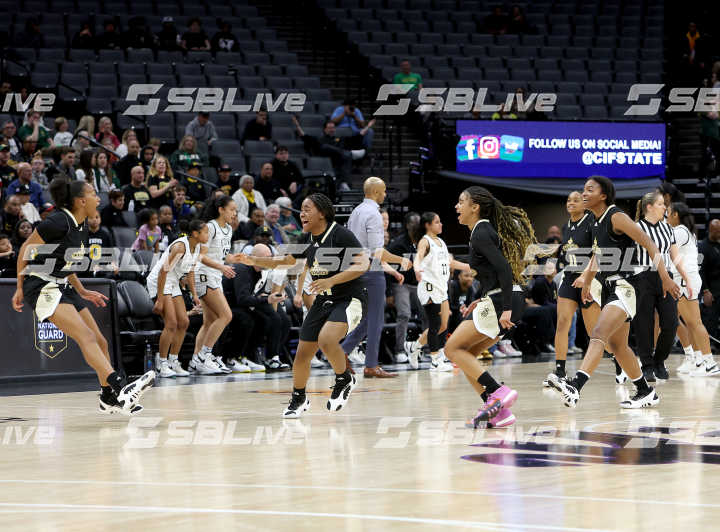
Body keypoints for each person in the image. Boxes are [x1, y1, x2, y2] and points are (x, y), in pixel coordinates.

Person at [11, 177, 154, 414]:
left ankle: (107, 398)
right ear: (80, 200)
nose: (99, 197)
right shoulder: (58, 221)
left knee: (101, 341)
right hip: (41, 285)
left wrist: (82, 290)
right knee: (86, 336)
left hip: (62, 283)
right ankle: (120, 387)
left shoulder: (83, 225)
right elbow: (25, 250)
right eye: (93, 193)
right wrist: (18, 286)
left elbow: (65, 262)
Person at [547, 176, 681, 409]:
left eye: (590, 190)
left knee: (598, 332)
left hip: (628, 285)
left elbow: (649, 243)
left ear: (604, 195)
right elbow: (599, 256)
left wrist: (665, 277)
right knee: (619, 346)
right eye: (583, 189)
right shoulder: (595, 221)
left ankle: (575, 386)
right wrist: (587, 282)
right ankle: (645, 391)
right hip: (610, 285)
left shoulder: (616, 216)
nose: (584, 194)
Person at [236, 193, 369, 417]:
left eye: (307, 209)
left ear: (322, 213)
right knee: (302, 355)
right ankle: (299, 398)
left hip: (350, 297)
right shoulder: (306, 239)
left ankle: (344, 378)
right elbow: (286, 261)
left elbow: (363, 263)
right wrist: (252, 260)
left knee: (327, 340)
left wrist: (331, 280)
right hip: (323, 300)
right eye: (302, 209)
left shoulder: (340, 234)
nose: (302, 214)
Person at [444, 186, 531, 429]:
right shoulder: (481, 232)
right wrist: (480, 298)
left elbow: (504, 269)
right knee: (466, 354)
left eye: (461, 201)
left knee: (452, 349)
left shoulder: (481, 231)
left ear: (475, 207)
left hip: (504, 301)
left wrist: (503, 308)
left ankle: (497, 392)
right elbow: (491, 273)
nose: (457, 207)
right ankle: (497, 411)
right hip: (503, 298)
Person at [341, 177, 413, 378]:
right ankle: (371, 365)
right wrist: (401, 261)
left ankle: (341, 352)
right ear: (374, 192)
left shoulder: (356, 211)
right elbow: (377, 252)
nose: (385, 194)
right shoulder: (373, 214)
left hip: (355, 267)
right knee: (376, 318)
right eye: (382, 191)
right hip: (371, 269)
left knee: (368, 318)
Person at [146, 219, 235, 378]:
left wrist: (194, 295)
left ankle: (174, 361)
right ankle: (162, 363)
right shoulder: (180, 247)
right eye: (205, 232)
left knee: (184, 322)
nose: (208, 235)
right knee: (171, 323)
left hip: (173, 281)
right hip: (160, 281)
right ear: (195, 233)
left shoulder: (198, 247)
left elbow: (191, 272)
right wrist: (160, 299)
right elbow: (162, 273)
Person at [544, 191, 604, 386]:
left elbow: (599, 254)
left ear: (585, 204)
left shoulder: (591, 222)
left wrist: (585, 275)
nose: (571, 203)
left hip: (589, 279)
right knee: (562, 322)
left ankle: (619, 363)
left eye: (576, 200)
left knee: (594, 331)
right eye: (568, 200)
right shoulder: (566, 226)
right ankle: (560, 371)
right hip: (570, 278)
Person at [190, 196, 249, 374]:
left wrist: (235, 258)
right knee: (226, 315)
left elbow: (221, 256)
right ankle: (205, 356)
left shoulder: (229, 229)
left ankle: (195, 360)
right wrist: (222, 266)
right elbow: (201, 255)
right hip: (204, 274)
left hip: (214, 274)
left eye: (236, 211)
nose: (234, 213)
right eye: (231, 209)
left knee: (209, 322)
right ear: (221, 209)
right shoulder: (210, 227)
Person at [632, 190, 687, 382]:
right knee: (644, 324)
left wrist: (686, 277)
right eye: (661, 204)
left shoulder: (667, 228)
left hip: (667, 278)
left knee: (671, 323)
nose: (665, 207)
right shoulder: (636, 227)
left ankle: (659, 360)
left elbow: (675, 255)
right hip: (643, 277)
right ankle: (646, 365)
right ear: (649, 207)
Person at [406, 212, 470, 371]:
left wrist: (468, 267)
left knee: (443, 325)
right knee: (434, 324)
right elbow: (418, 258)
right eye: (437, 222)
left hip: (441, 287)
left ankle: (415, 346)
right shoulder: (425, 241)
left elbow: (450, 262)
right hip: (429, 286)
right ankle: (435, 360)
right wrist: (417, 270)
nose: (440, 224)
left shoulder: (440, 241)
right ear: (428, 225)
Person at [668, 203, 718, 376]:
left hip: (685, 279)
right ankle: (697, 359)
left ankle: (709, 362)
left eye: (668, 213)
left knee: (695, 322)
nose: (666, 216)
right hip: (682, 279)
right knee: (686, 322)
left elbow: (666, 246)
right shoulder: (683, 230)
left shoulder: (680, 231)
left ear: (675, 215)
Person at [386, 212, 424, 364]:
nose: (417, 226)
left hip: (418, 284)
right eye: (414, 223)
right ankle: (399, 350)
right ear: (407, 225)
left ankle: (426, 348)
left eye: (419, 223)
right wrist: (389, 292)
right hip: (400, 284)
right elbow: (386, 267)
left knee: (428, 314)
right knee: (404, 314)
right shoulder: (397, 244)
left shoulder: (424, 242)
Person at [698, 219, 720, 348]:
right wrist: (705, 290)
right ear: (711, 230)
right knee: (710, 320)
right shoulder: (702, 247)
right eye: (717, 231)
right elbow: (699, 271)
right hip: (711, 290)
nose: (719, 233)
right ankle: (708, 346)